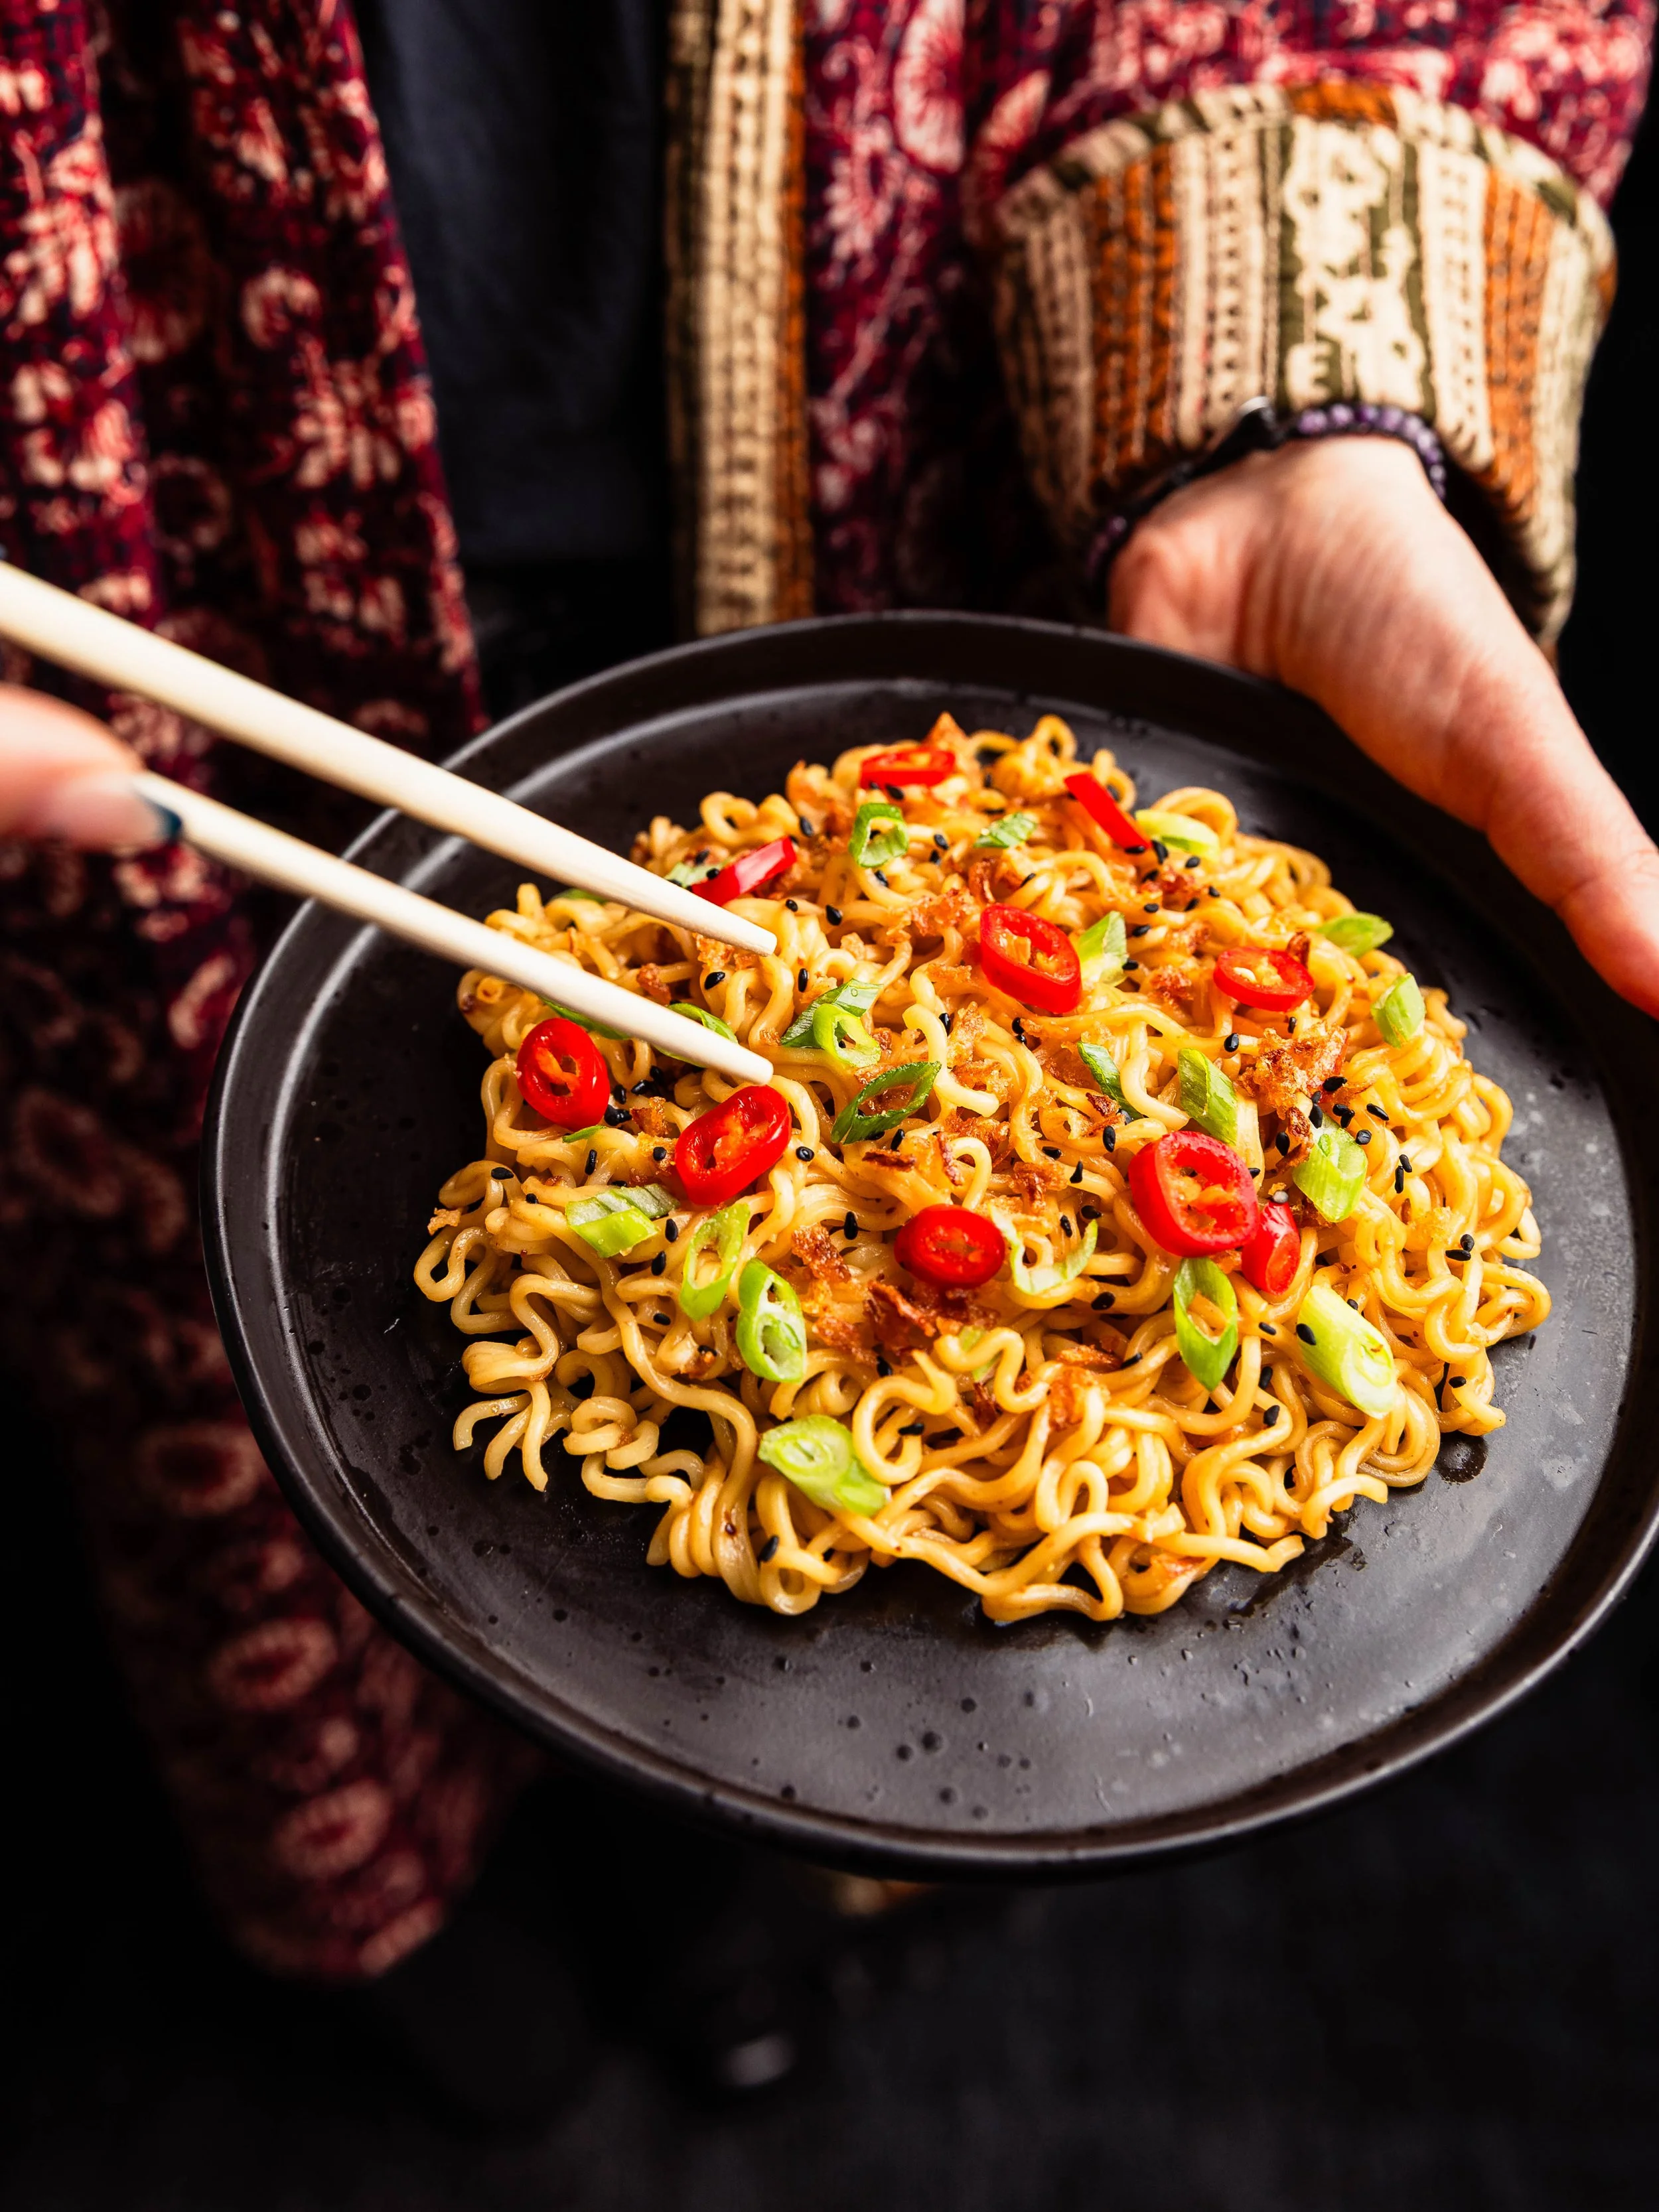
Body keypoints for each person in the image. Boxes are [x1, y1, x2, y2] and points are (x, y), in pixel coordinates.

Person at [0, 0, 1654, 1985]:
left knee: (728, 1684)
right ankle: (428, 1947)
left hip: (900, 476)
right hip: (146, 581)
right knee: (320, 1501)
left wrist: (1299, 417)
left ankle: (715, 1913)